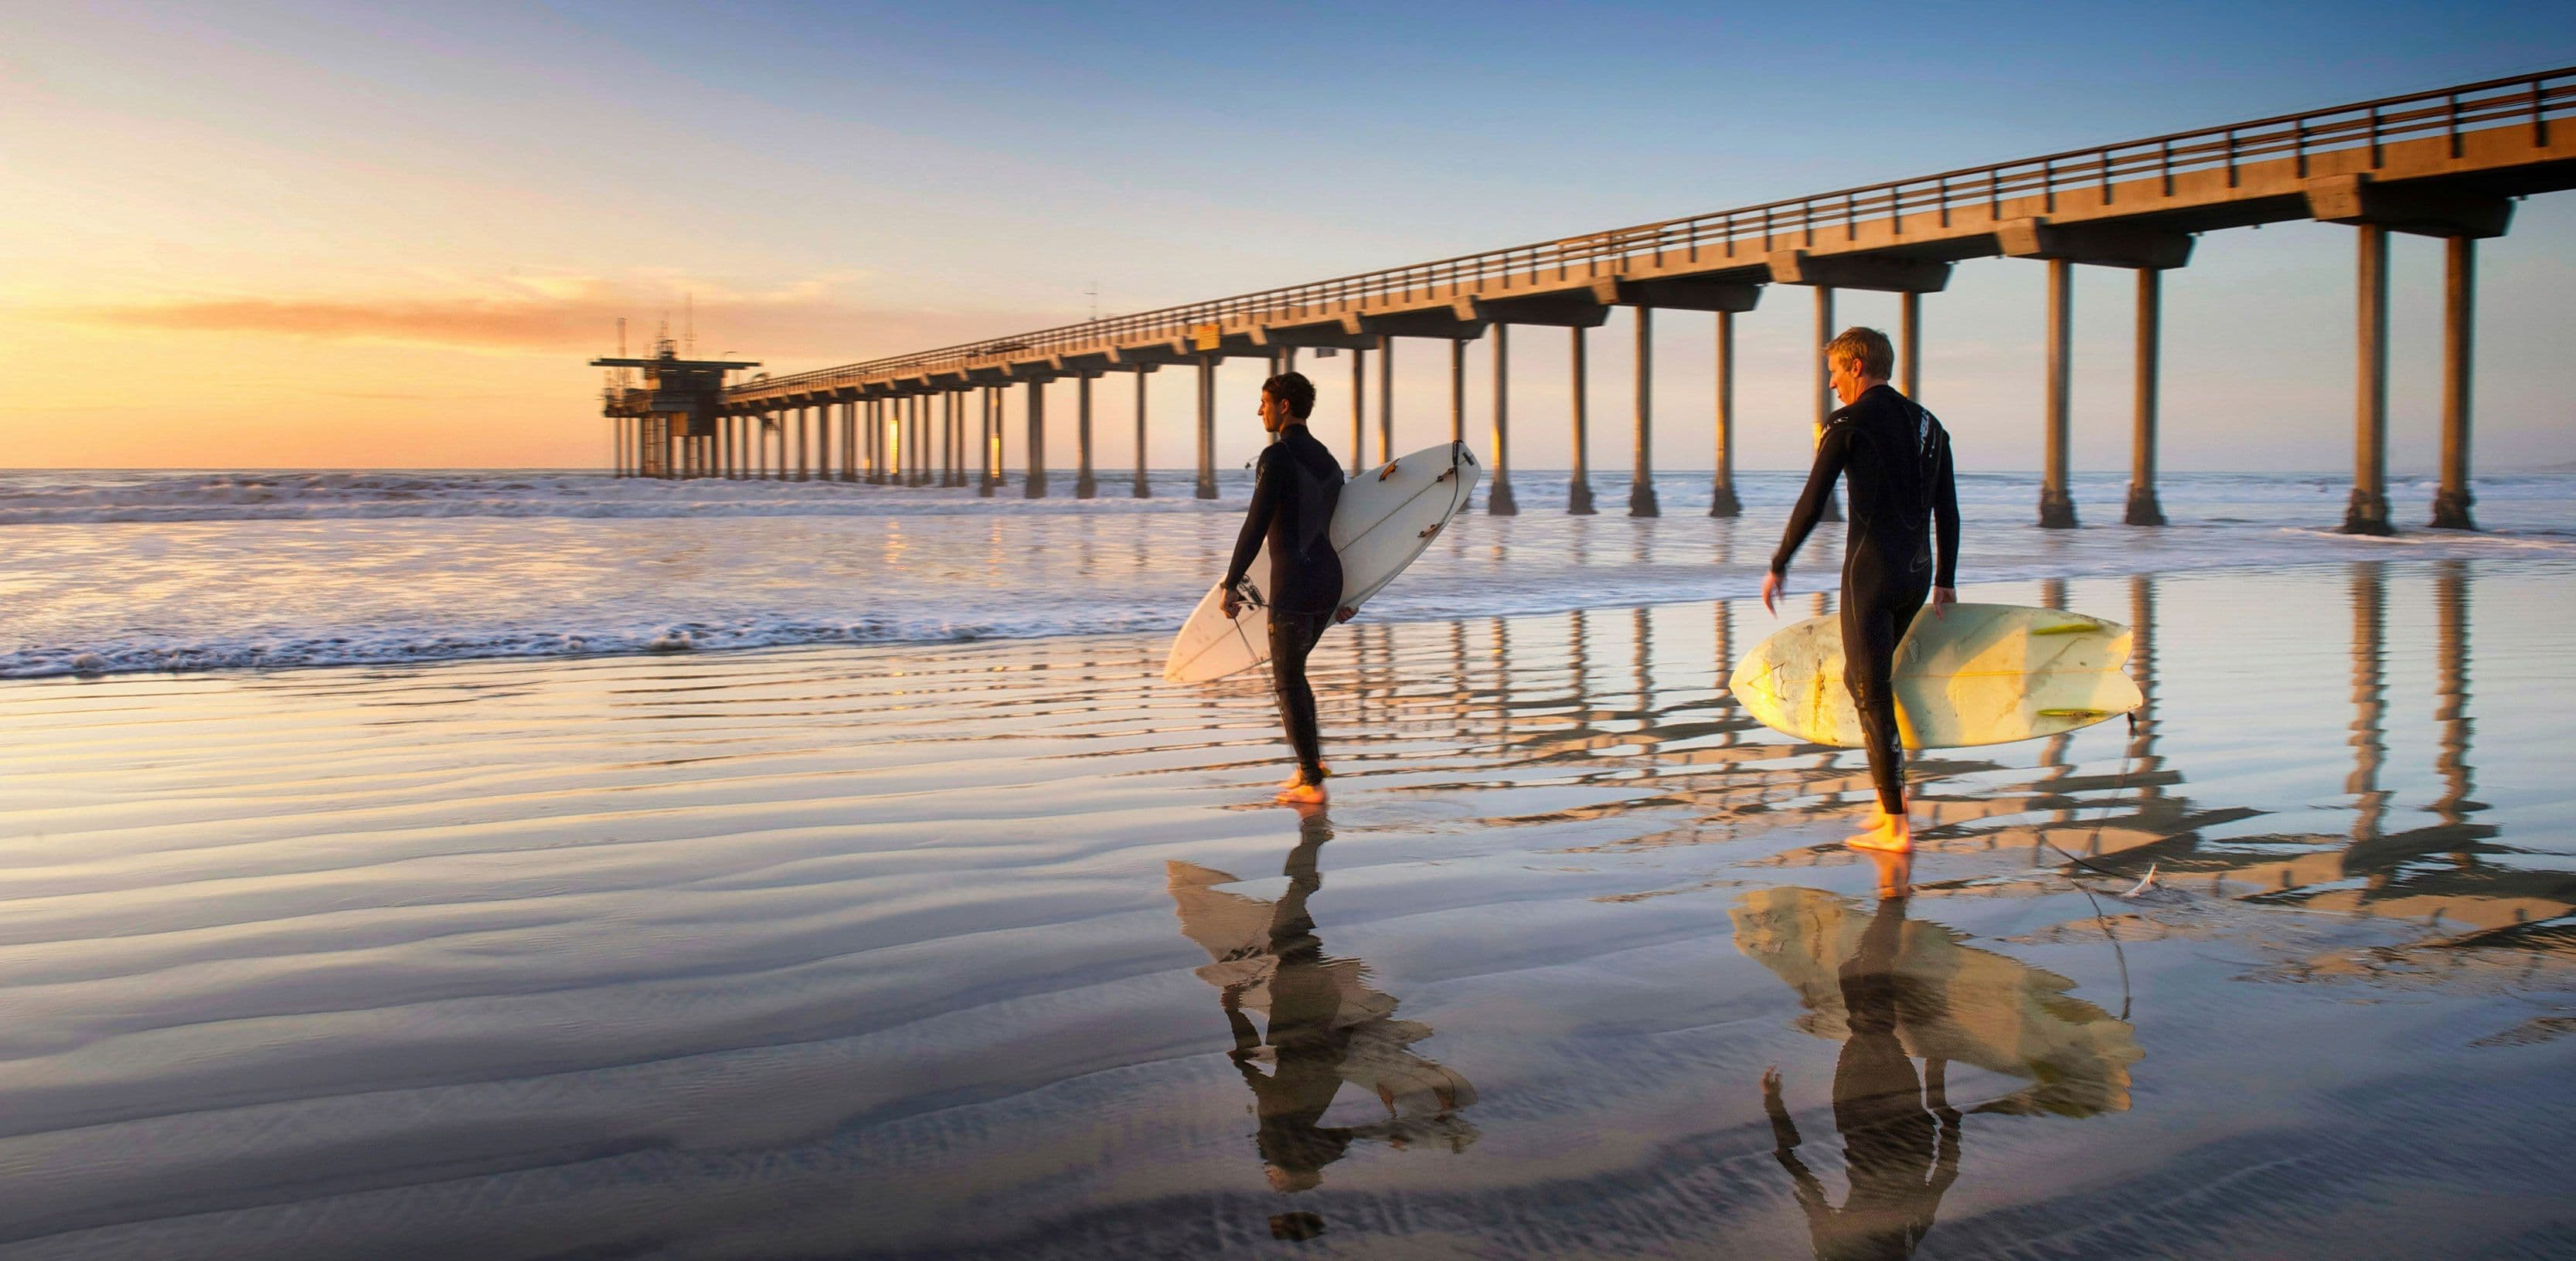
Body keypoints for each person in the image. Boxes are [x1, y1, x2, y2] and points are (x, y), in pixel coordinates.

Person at [1762, 328, 1959, 853]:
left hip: (1870, 575)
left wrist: (1779, 562)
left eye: (1834, 371)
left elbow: (1812, 500)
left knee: (1871, 693)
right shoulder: (1929, 426)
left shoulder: (1848, 422)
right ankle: (1884, 803)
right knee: (1863, 680)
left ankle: (1895, 826)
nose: (1830, 383)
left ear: (1856, 366)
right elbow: (1948, 508)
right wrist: (1944, 579)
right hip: (1916, 575)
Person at [1222, 372, 1346, 805]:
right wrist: (1352, 594)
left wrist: (1231, 582)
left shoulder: (1276, 458)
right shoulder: (1330, 462)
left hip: (1294, 585)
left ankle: (1312, 782)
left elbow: (1255, 525)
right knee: (1295, 674)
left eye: (1264, 402)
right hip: (1329, 582)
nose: (1260, 410)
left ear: (1284, 406)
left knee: (1286, 681)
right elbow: (1343, 530)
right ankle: (1309, 763)